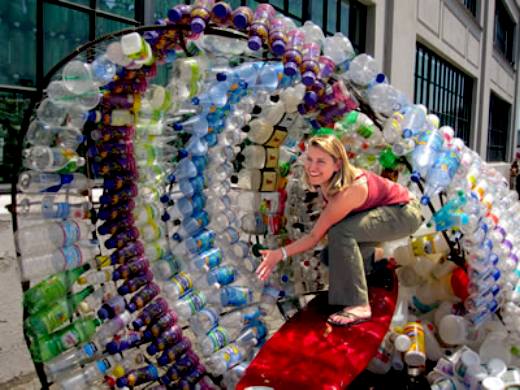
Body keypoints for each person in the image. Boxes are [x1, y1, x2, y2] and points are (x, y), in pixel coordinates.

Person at [256, 134, 423, 326]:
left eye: (321, 161)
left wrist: (279, 253)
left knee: (340, 233)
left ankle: (359, 305)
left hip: (405, 213)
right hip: (388, 210)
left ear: (337, 164)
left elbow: (314, 236)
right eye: (309, 159)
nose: (312, 167)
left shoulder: (348, 190)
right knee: (331, 255)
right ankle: (375, 264)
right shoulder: (328, 181)